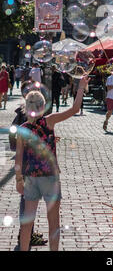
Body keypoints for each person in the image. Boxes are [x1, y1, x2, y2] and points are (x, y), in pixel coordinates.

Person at [15, 75, 89, 251]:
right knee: (53, 222)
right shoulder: (49, 121)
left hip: (31, 178)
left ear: (26, 108)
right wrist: (81, 86)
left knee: (27, 222)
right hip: (50, 178)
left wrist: (19, 180)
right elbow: (74, 108)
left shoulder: (23, 128)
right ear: (42, 107)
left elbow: (19, 157)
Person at [9, 80, 48, 249]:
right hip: (30, 171)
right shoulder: (27, 121)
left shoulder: (31, 120)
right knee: (27, 204)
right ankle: (24, 235)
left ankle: (27, 232)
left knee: (26, 202)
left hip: (27, 170)